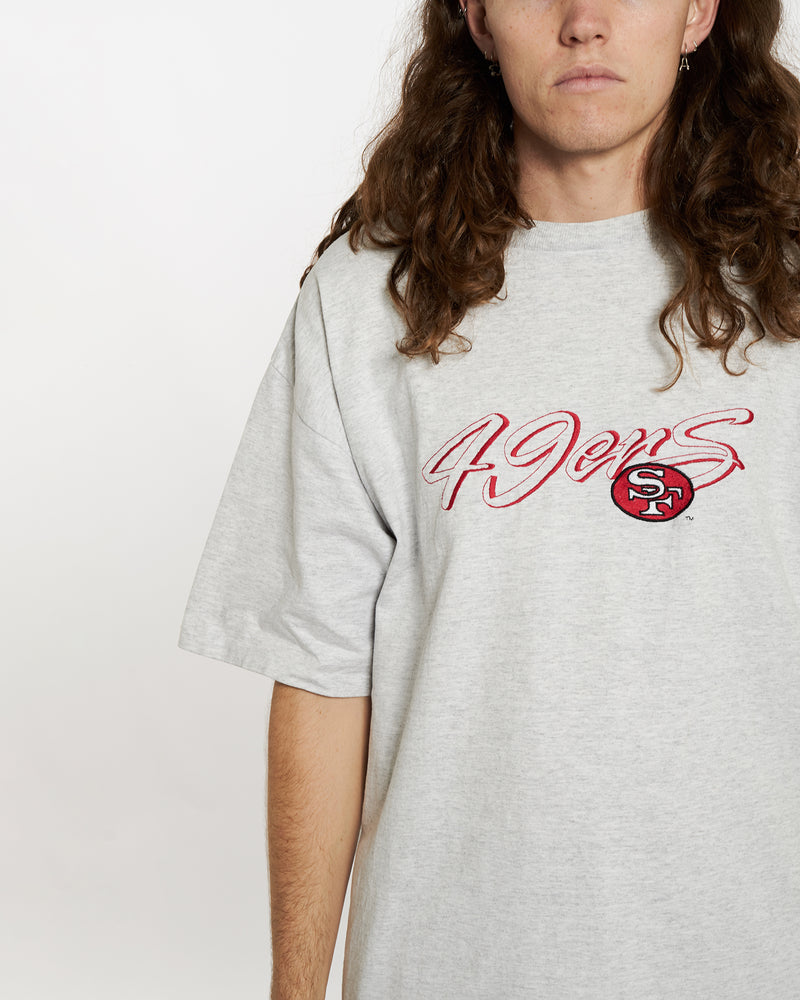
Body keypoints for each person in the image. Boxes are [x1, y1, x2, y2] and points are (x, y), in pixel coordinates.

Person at [178, 0, 800, 996]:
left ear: (696, 12)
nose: (583, 20)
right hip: (444, 962)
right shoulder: (368, 299)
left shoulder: (786, 291)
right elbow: (320, 676)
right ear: (474, 15)